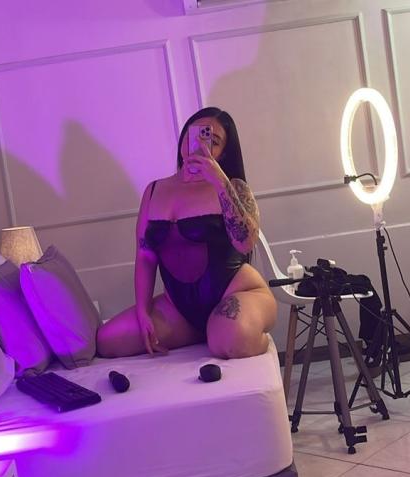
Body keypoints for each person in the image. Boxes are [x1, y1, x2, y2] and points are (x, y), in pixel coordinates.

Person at [97, 107, 277, 359]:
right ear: (184, 138)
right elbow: (145, 255)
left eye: (213, 140)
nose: (201, 144)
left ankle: (241, 334)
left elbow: (246, 242)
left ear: (223, 152)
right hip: (178, 309)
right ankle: (206, 331)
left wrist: (219, 181)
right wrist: (143, 310)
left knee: (231, 340)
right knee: (108, 341)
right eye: (196, 135)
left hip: (236, 293)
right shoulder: (154, 190)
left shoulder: (233, 186)